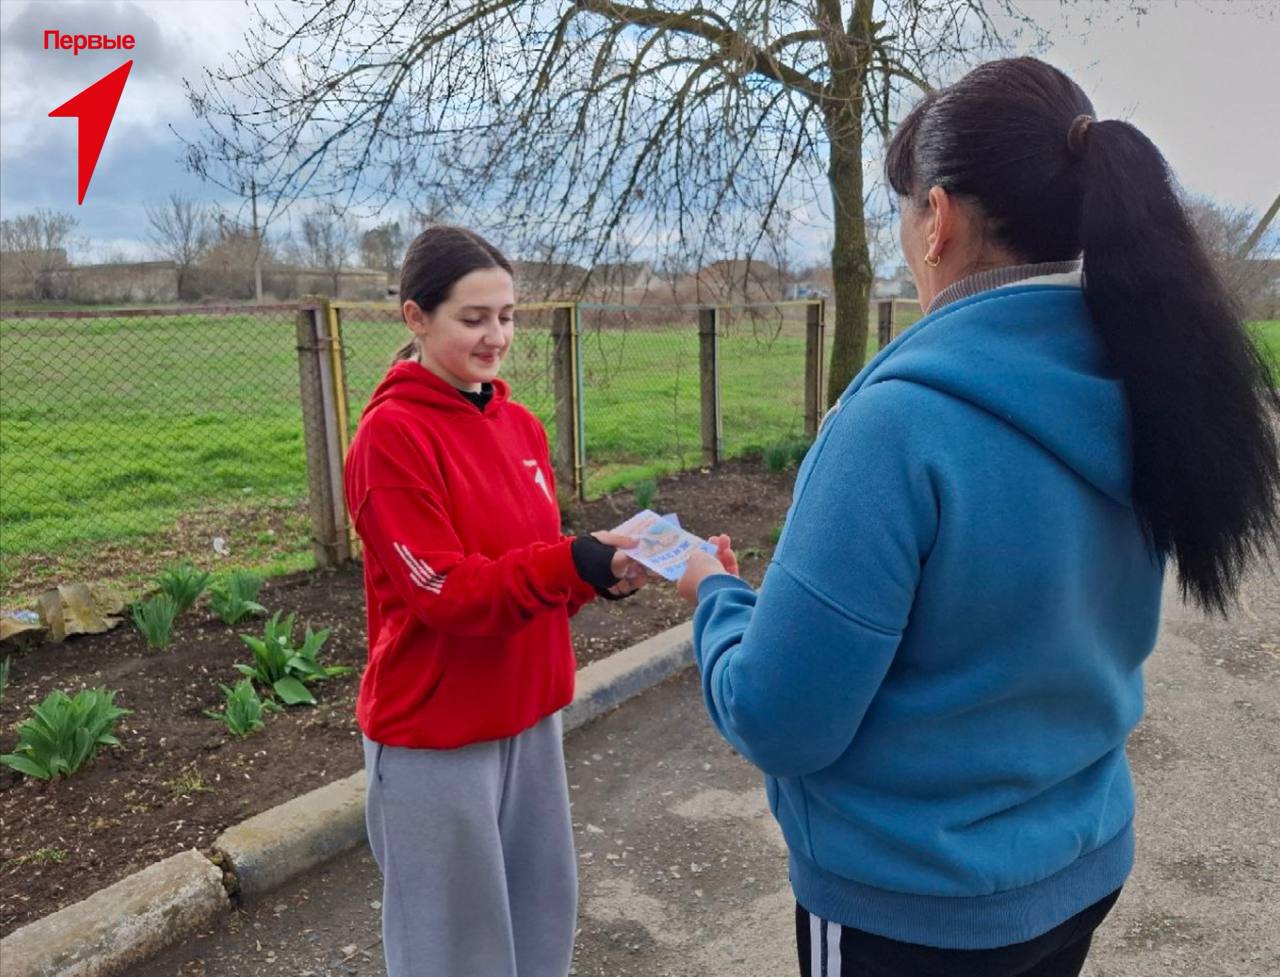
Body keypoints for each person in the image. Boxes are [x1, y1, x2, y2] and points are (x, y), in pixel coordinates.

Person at [677, 56, 1279, 977]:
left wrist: (715, 594)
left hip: (912, 911)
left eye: (906, 213)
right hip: (1076, 868)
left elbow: (780, 716)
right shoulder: (1153, 381)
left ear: (940, 219)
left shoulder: (896, 424)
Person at [344, 225, 646, 977]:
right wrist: (568, 563)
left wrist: (595, 573)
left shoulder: (520, 426)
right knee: (453, 955)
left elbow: (530, 571)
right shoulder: (391, 439)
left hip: (530, 717)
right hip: (437, 736)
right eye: (473, 318)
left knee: (541, 932)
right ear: (416, 318)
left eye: (507, 315)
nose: (496, 336)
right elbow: (444, 590)